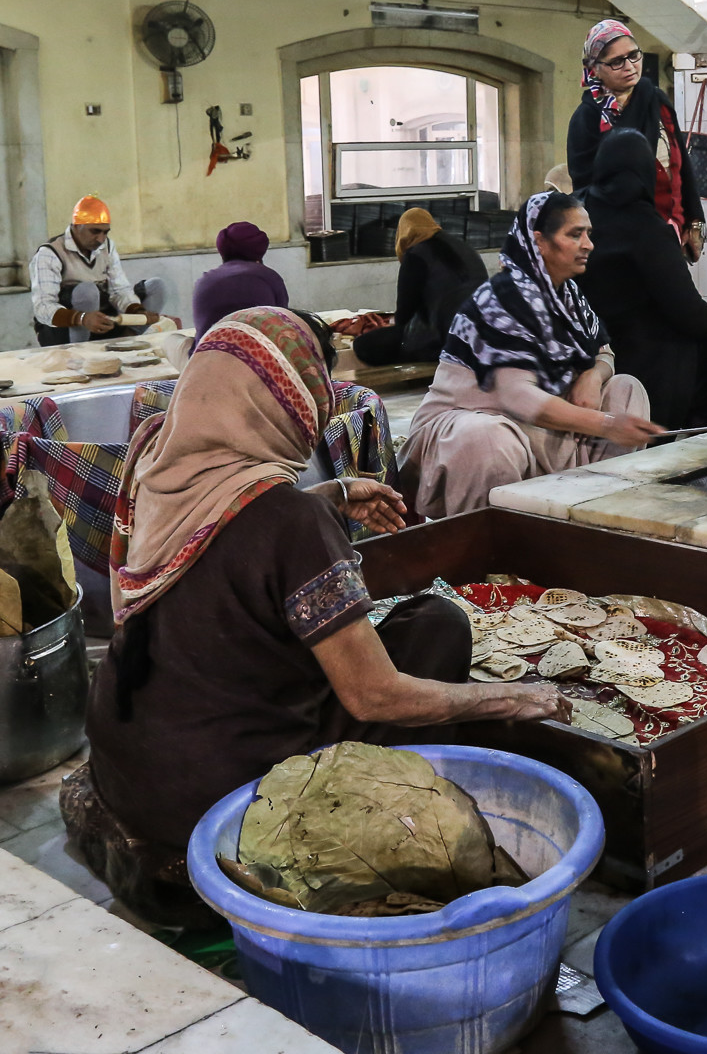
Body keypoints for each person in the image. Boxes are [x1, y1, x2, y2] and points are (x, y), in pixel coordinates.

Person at [62, 305, 571, 926]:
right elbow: (375, 697)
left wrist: (332, 495)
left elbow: (223, 539)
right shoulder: (288, 524)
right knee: (437, 627)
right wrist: (511, 700)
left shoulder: (154, 473)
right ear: (289, 403)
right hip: (228, 816)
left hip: (132, 796)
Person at [399, 191, 664, 519]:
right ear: (539, 241)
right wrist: (607, 424)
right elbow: (522, 400)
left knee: (626, 388)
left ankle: (592, 514)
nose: (588, 245)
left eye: (588, 234)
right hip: (478, 424)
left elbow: (603, 350)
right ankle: (496, 546)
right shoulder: (503, 300)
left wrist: (593, 376)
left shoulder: (566, 295)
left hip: (543, 429)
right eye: (574, 234)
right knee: (489, 440)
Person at [578, 129, 707, 429]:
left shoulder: (579, 213)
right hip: (647, 362)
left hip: (588, 348)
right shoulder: (647, 228)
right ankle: (706, 446)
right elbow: (690, 313)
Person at [567, 20, 706, 263]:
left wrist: (694, 220)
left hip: (670, 223)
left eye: (633, 55)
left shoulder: (654, 99)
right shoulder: (588, 118)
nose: (629, 66)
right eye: (616, 62)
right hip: (618, 240)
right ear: (594, 68)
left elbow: (680, 162)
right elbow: (586, 190)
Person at [352, 209, 489, 366]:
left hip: (444, 339)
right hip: (482, 334)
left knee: (364, 345)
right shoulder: (465, 247)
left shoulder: (416, 255)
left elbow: (404, 314)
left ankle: (418, 365)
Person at [31, 195, 174, 346]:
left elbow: (119, 290)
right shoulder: (50, 253)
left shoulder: (107, 246)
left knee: (157, 286)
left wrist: (137, 312)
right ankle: (78, 352)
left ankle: (127, 341)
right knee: (87, 291)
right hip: (63, 331)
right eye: (95, 231)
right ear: (76, 226)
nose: (101, 239)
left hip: (104, 322)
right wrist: (82, 318)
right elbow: (43, 307)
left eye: (105, 232)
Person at [191, 221, 289, 342]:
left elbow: (201, 327)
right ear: (260, 251)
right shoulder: (270, 277)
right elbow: (283, 322)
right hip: (259, 356)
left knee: (174, 340)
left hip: (207, 355)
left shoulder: (204, 281)